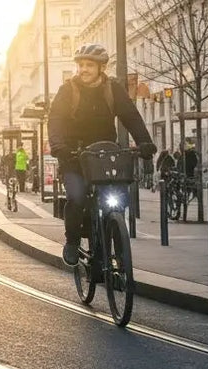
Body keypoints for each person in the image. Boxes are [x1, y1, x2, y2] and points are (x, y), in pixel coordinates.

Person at [47, 43, 156, 266]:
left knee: (116, 200)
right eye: (80, 65)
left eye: (89, 65)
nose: (83, 69)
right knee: (76, 197)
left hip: (105, 153)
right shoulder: (68, 90)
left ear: (101, 68)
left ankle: (115, 243)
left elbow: (131, 116)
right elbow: (55, 120)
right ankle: (72, 241)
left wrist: (145, 141)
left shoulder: (112, 89)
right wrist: (59, 147)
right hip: (74, 154)